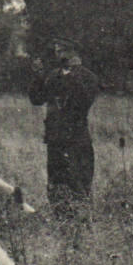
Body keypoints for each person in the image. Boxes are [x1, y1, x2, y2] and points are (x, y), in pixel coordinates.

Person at [28, 37, 102, 213]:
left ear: (74, 52)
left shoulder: (88, 77)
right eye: (57, 51)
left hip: (77, 139)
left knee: (79, 185)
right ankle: (59, 220)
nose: (59, 55)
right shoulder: (53, 76)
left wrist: (73, 73)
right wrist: (38, 76)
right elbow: (37, 99)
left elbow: (83, 101)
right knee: (56, 186)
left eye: (62, 51)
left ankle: (81, 221)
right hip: (55, 139)